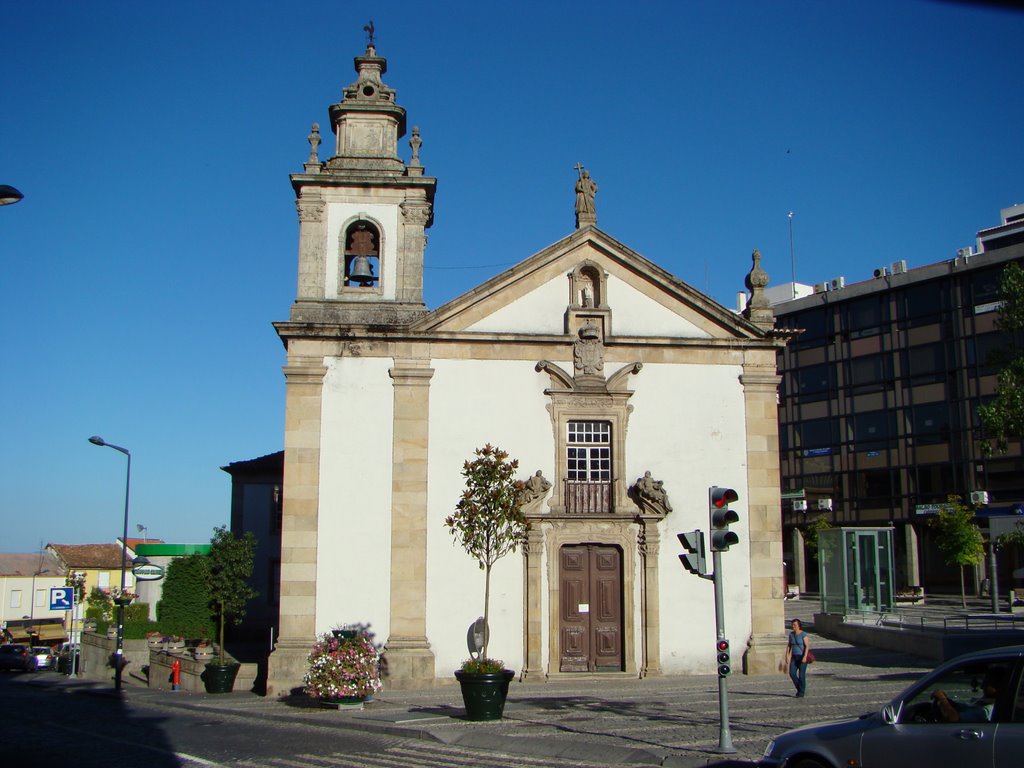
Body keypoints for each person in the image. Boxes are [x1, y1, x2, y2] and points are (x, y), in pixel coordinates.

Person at [785, 618, 811, 698]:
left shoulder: (803, 634)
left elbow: (807, 646)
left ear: (799, 626)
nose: (793, 626)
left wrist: (805, 656)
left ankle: (801, 692)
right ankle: (799, 688)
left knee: (801, 675)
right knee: (792, 673)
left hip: (802, 656)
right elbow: (789, 645)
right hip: (794, 657)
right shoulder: (791, 635)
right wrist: (787, 655)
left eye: (794, 625)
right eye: (792, 625)